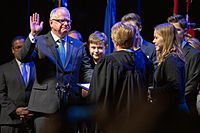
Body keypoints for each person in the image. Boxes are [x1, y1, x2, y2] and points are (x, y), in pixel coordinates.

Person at [17, 7, 93, 133]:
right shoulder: (39, 41)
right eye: (62, 21)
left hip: (70, 107)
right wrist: (33, 35)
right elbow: (23, 57)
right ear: (51, 22)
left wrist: (94, 84)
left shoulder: (78, 45)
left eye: (68, 21)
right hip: (45, 106)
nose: (66, 24)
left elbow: (86, 71)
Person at [88, 22, 150, 133]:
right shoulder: (142, 59)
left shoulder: (108, 62)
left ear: (113, 39)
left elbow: (99, 97)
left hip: (114, 123)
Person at [150, 23, 191, 132]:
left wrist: (152, 92)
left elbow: (174, 87)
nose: (153, 41)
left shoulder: (172, 60)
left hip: (174, 115)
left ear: (166, 38)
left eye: (156, 38)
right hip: (171, 113)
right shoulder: (170, 58)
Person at [0, 36, 35, 133]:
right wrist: (15, 110)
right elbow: (1, 94)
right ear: (12, 50)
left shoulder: (37, 67)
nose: (21, 50)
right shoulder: (3, 69)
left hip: (33, 120)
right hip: (10, 121)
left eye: (23, 47)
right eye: (17, 47)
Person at [167, 14, 200, 117]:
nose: (174, 33)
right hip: (167, 109)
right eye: (171, 30)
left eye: (177, 30)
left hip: (185, 109)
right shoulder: (166, 52)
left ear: (185, 32)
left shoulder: (194, 54)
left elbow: (192, 83)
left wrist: (175, 100)